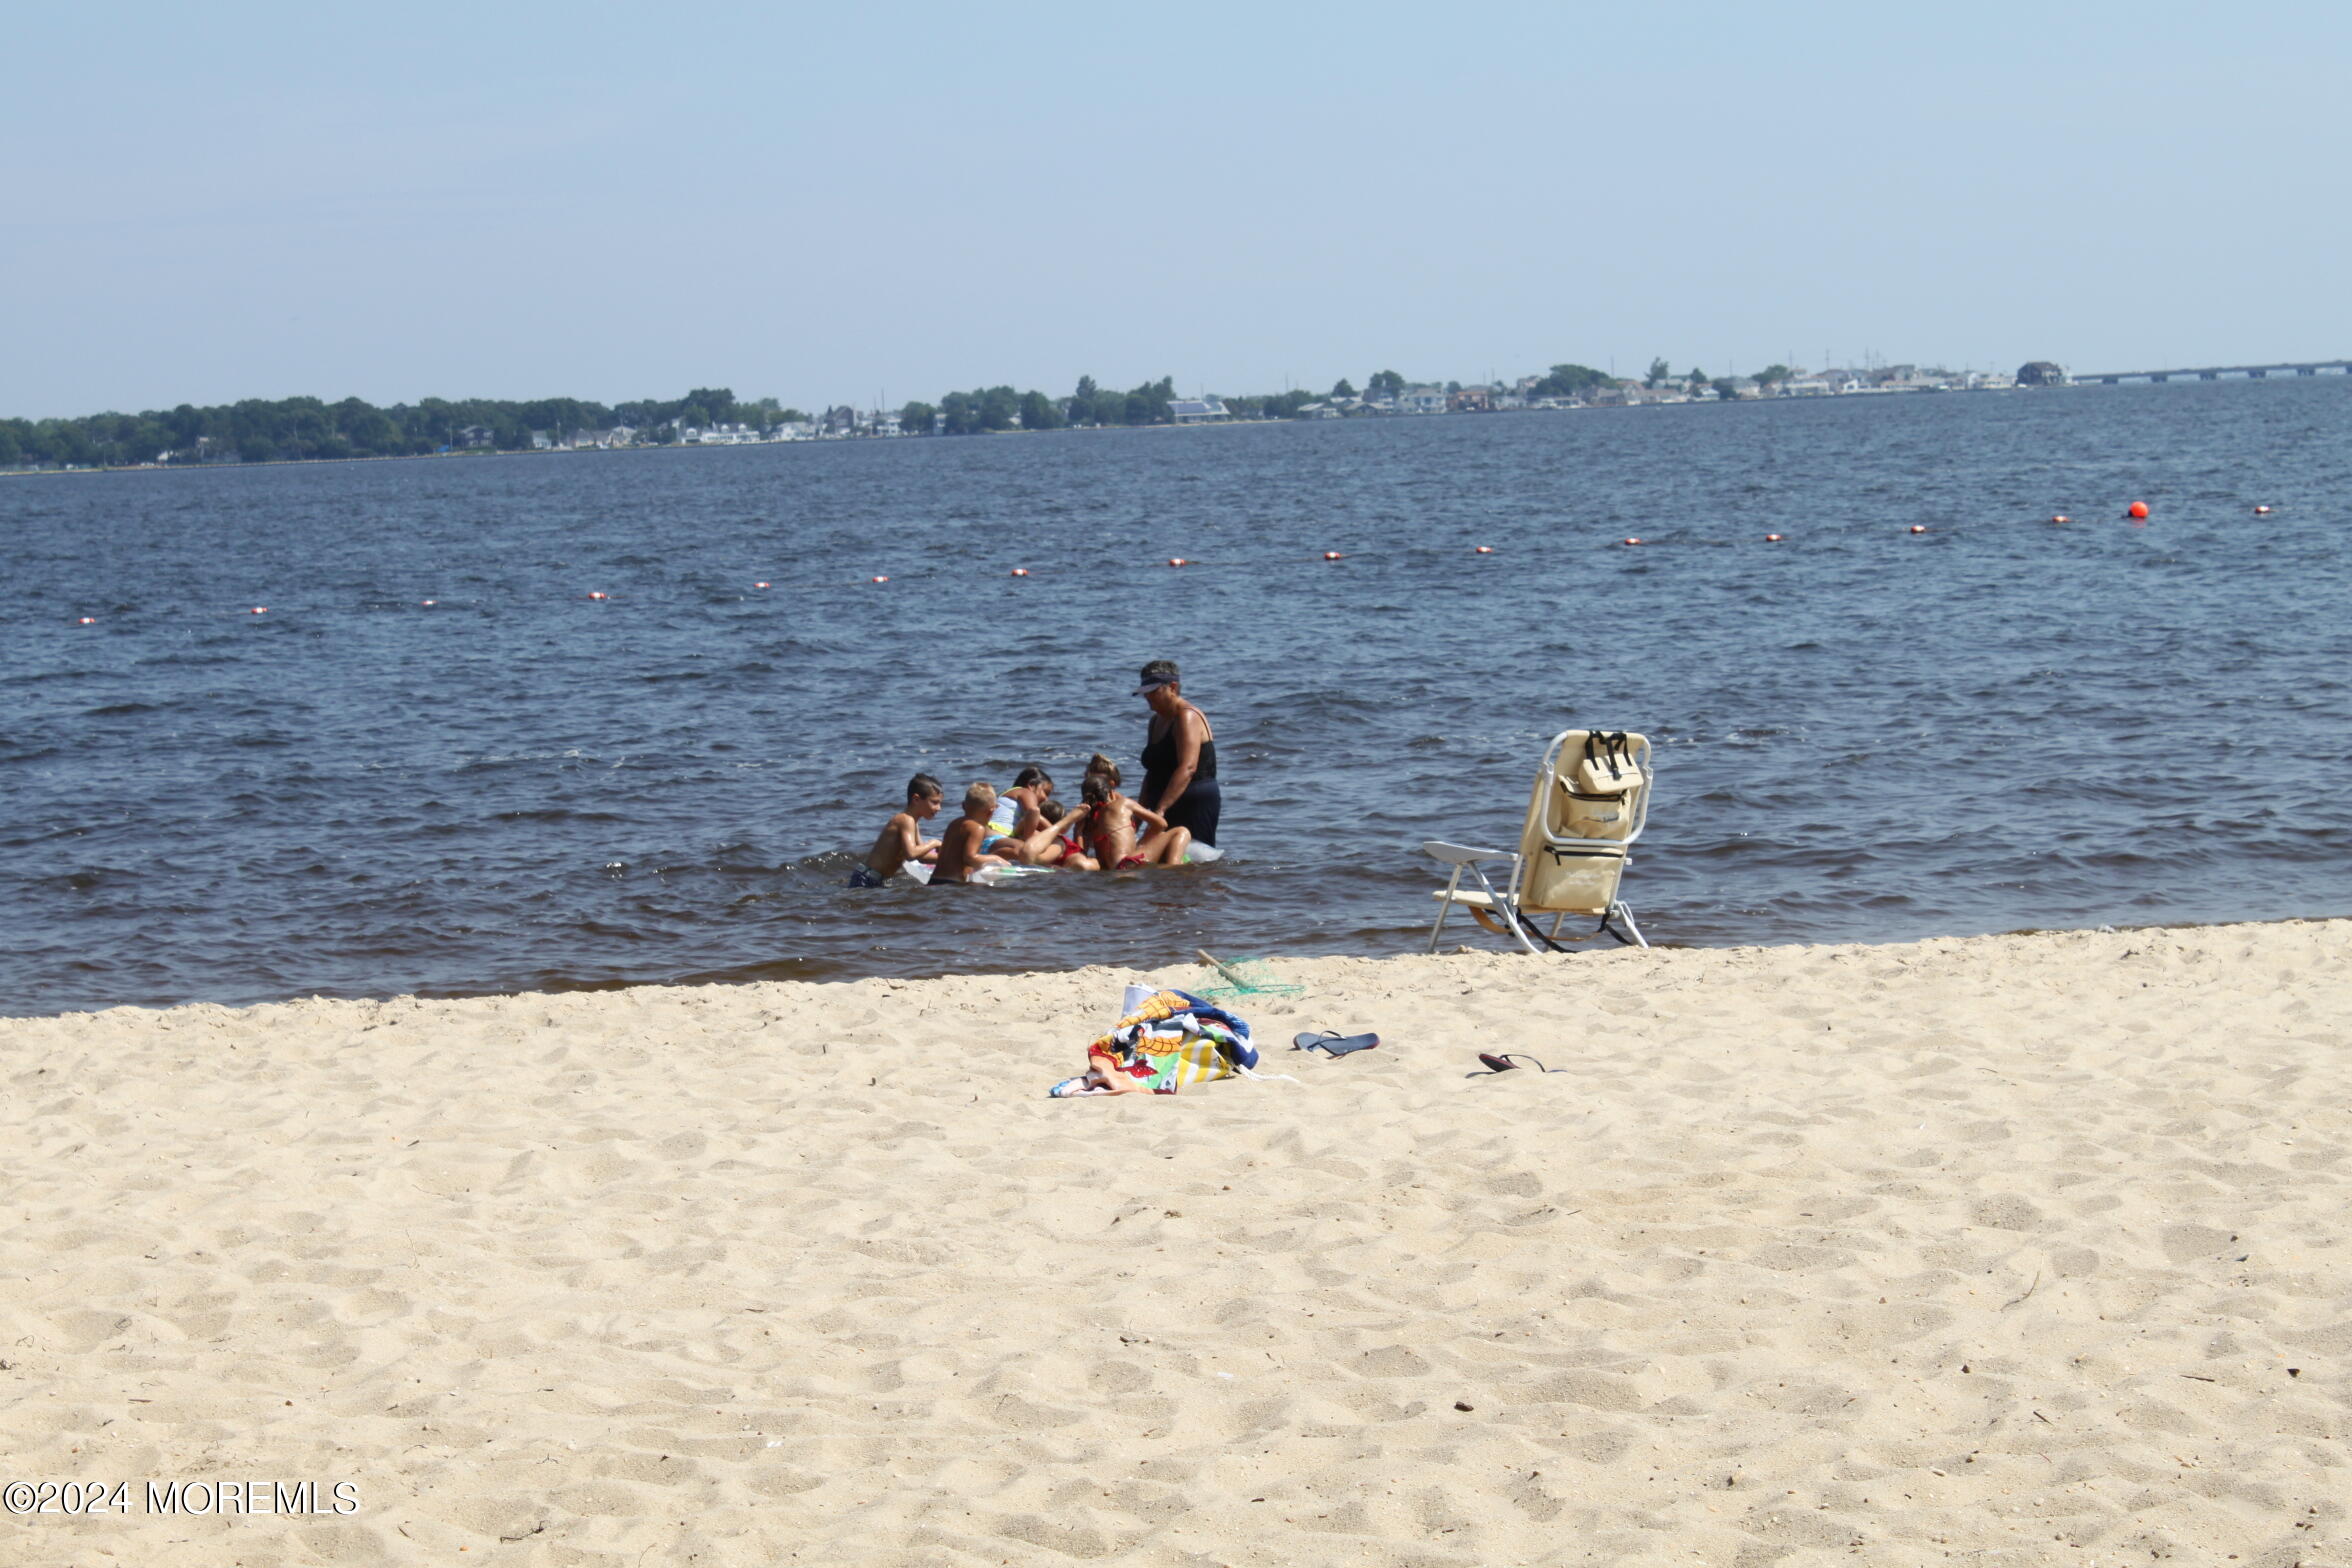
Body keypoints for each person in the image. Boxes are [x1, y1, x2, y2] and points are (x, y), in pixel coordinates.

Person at [1136, 659, 1219, 851]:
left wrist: (1160, 810)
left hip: (1192, 800)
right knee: (1161, 864)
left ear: (1172, 687)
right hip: (1163, 801)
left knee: (1192, 862)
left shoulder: (1187, 716)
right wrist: (1140, 814)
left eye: (1153, 691)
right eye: (1145, 692)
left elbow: (1188, 768)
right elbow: (1152, 772)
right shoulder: (1155, 721)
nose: (1148, 697)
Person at [1079, 756, 1190, 869]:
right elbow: (1161, 824)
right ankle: (1174, 868)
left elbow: (1082, 850)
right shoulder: (1124, 804)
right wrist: (1142, 845)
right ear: (1111, 789)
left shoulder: (1086, 815)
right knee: (1181, 831)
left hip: (1108, 867)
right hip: (1126, 863)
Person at [984, 766, 1092, 866]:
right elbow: (1033, 811)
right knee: (1028, 851)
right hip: (998, 838)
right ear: (1031, 785)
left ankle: (994, 858)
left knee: (1027, 849)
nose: (1046, 799)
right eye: (1045, 792)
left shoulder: (1009, 796)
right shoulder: (1025, 791)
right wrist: (1055, 830)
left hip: (989, 840)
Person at [852, 773, 943, 887]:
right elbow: (911, 854)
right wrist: (934, 843)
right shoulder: (905, 820)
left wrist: (951, 858)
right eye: (934, 802)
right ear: (916, 799)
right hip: (867, 880)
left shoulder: (913, 822)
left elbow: (921, 857)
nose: (939, 808)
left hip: (878, 880)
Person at [929, 781, 1013, 885]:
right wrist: (996, 858)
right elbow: (970, 858)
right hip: (951, 883)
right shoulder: (977, 828)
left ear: (963, 806)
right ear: (991, 812)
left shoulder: (954, 823)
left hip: (934, 880)